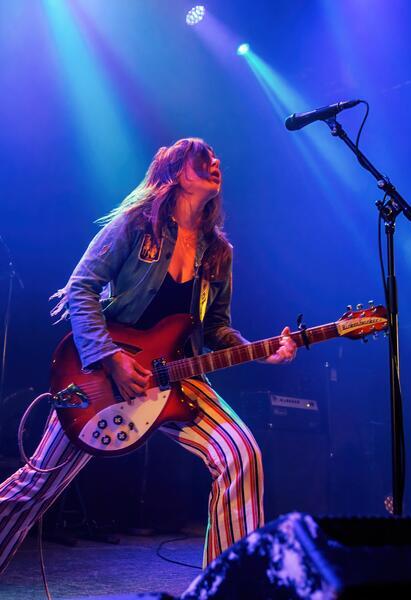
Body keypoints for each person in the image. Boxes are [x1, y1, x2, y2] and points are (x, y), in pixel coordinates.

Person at [0, 137, 297, 573]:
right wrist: (110, 358)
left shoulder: (218, 253)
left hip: (179, 377)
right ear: (177, 171)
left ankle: (231, 584)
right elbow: (81, 287)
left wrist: (261, 352)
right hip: (100, 375)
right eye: (203, 158)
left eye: (216, 158)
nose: (215, 162)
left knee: (240, 454)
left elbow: (216, 327)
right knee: (37, 485)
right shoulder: (137, 224)